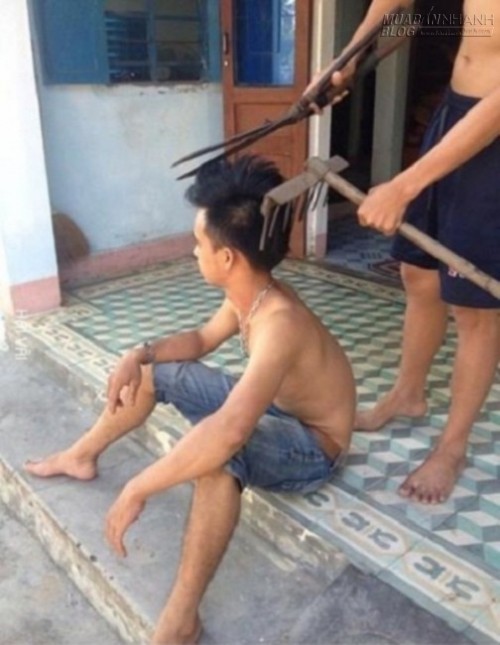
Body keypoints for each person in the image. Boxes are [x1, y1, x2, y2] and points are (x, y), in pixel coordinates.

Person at [25, 156, 356, 644]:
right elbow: (201, 340)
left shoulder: (279, 322)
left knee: (220, 458)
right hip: (277, 411)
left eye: (199, 243)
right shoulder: (251, 293)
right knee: (156, 373)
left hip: (313, 446)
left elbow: (229, 432)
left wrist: (139, 486)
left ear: (228, 258)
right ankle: (81, 456)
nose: (193, 251)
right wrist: (139, 354)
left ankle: (182, 619)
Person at [319, 0, 500, 504]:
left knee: (475, 307)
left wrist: (405, 184)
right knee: (419, 274)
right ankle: (407, 394)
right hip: (455, 113)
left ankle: (452, 446)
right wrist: (349, 55)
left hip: (494, 131)